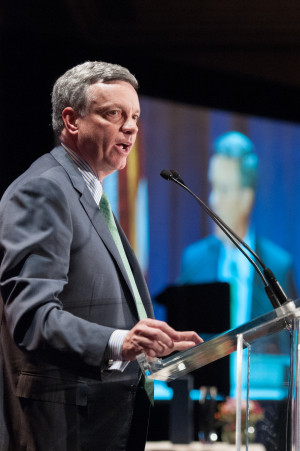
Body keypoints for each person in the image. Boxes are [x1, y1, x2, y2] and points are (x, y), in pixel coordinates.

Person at [0, 61, 202, 451]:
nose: (131, 127)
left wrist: (141, 341)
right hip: (63, 428)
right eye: (114, 114)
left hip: (101, 422)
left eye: (136, 117)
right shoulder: (44, 191)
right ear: (71, 121)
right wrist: (119, 341)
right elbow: (31, 317)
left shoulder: (89, 196)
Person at [179, 131, 297, 330]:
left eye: (224, 189)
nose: (214, 200)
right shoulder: (194, 260)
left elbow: (288, 342)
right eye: (213, 187)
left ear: (246, 198)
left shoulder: (277, 265)